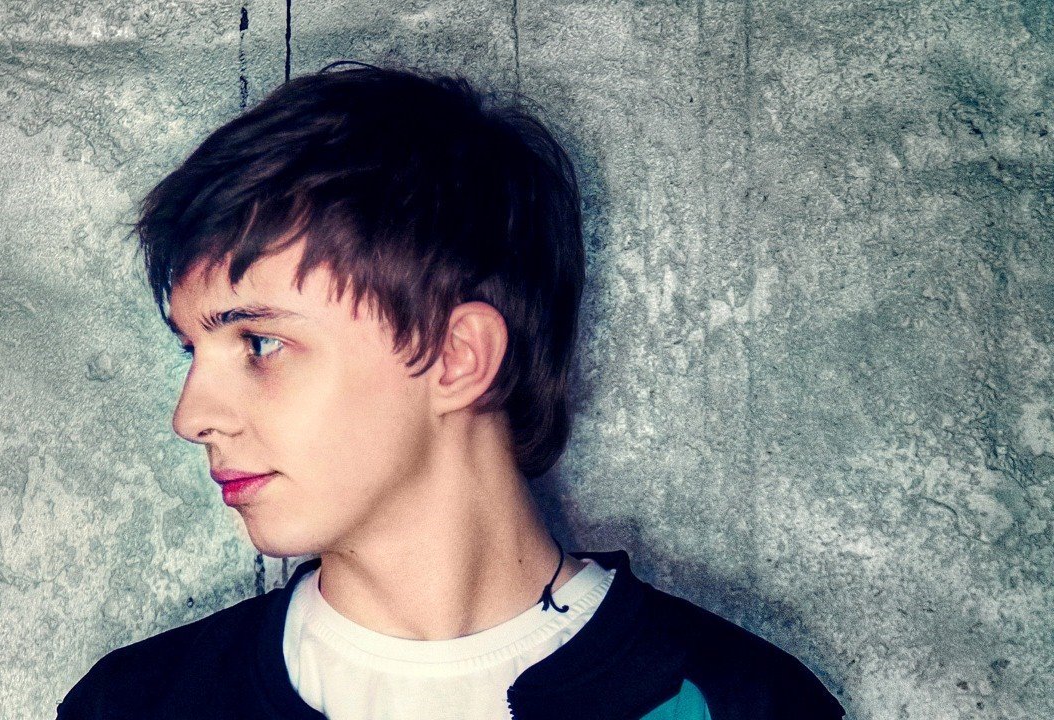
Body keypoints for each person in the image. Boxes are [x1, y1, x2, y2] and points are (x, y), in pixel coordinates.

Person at [56, 61, 845, 719]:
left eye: (260, 343)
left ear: (457, 356)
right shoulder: (133, 707)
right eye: (191, 349)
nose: (192, 415)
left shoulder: (748, 704)